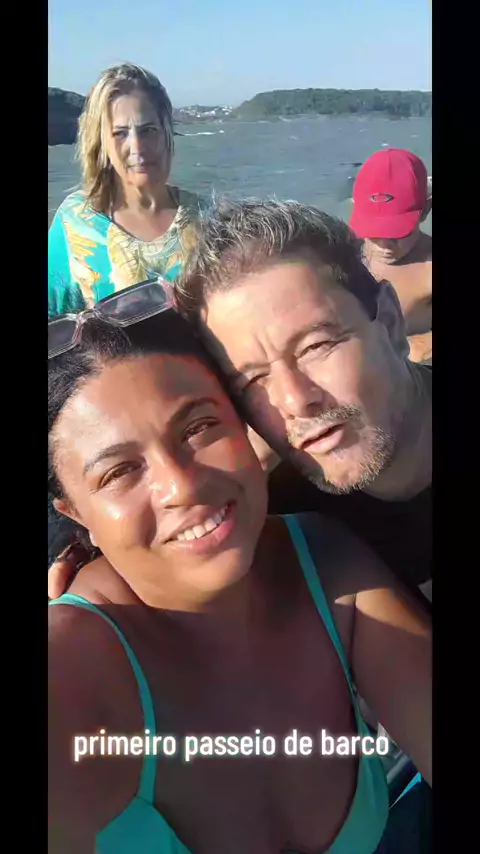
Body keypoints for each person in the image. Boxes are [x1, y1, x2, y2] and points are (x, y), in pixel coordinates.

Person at [48, 296, 431, 853]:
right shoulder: (69, 672)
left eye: (200, 427)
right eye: (120, 471)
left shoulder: (324, 561)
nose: (182, 486)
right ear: (76, 514)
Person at [173, 199, 432, 603]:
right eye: (252, 379)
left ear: (391, 323)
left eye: (316, 346)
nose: (295, 400)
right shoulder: (270, 531)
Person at [48, 63, 202, 318]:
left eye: (148, 130)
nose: (137, 147)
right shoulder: (74, 223)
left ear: (167, 131)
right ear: (102, 143)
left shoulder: (208, 219)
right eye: (120, 134)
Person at [349, 149, 432, 364]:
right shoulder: (342, 253)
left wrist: (426, 343)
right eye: (373, 231)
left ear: (426, 210)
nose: (384, 246)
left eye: (398, 233)